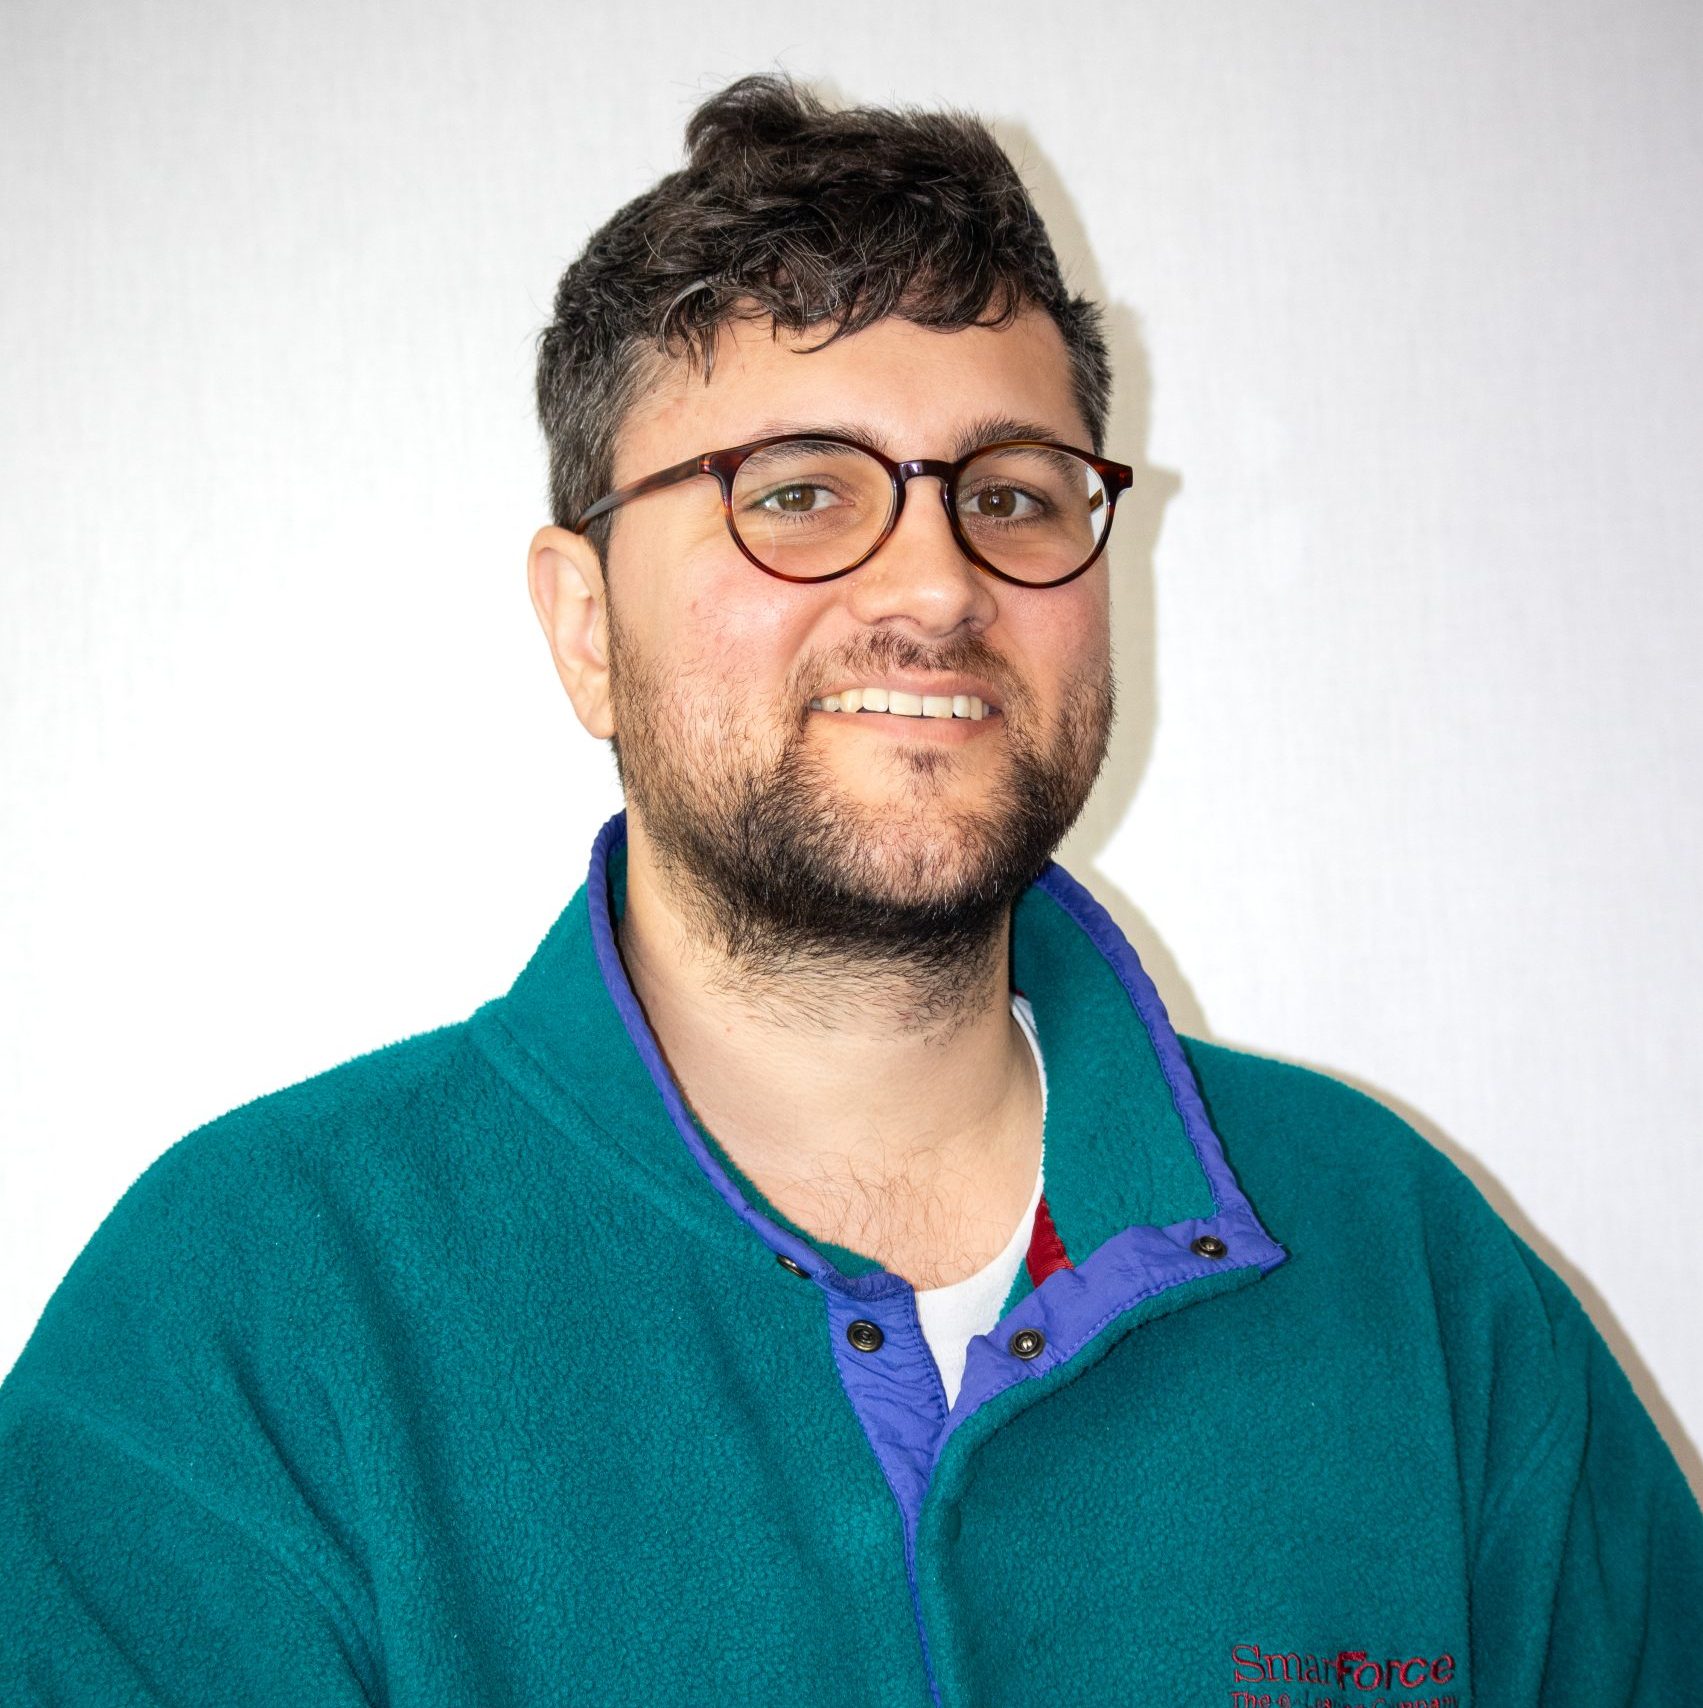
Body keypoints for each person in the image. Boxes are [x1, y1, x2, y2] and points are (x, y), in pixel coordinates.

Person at [1, 71, 1697, 1706]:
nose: (936, 585)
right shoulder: (240, 1326)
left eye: (1013, 496)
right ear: (585, 625)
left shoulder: (1404, 1268)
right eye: (799, 493)